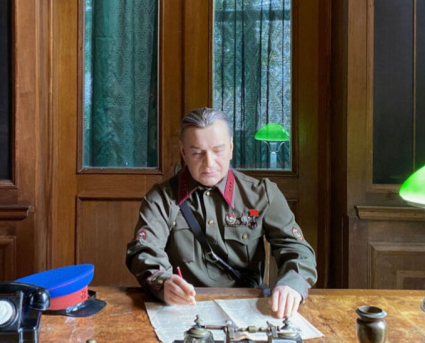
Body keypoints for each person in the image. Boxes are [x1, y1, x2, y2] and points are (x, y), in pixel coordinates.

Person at [126, 107, 317, 318]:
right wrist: (163, 282)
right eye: (197, 153)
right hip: (185, 307)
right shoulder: (161, 198)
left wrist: (292, 284)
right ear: (184, 153)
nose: (209, 163)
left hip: (248, 306)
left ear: (231, 148)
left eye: (218, 151)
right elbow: (144, 250)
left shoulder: (261, 195)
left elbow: (296, 248)